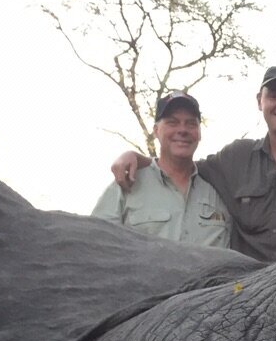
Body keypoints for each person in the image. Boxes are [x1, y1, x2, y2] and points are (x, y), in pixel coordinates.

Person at [111, 66, 276, 262]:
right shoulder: (236, 157)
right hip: (244, 297)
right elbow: (179, 166)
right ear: (259, 101)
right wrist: (136, 157)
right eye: (273, 96)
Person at [91, 91, 229, 248]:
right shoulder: (126, 185)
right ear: (156, 130)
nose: (182, 130)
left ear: (199, 133)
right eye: (172, 122)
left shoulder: (218, 190)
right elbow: (95, 247)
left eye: (191, 123)